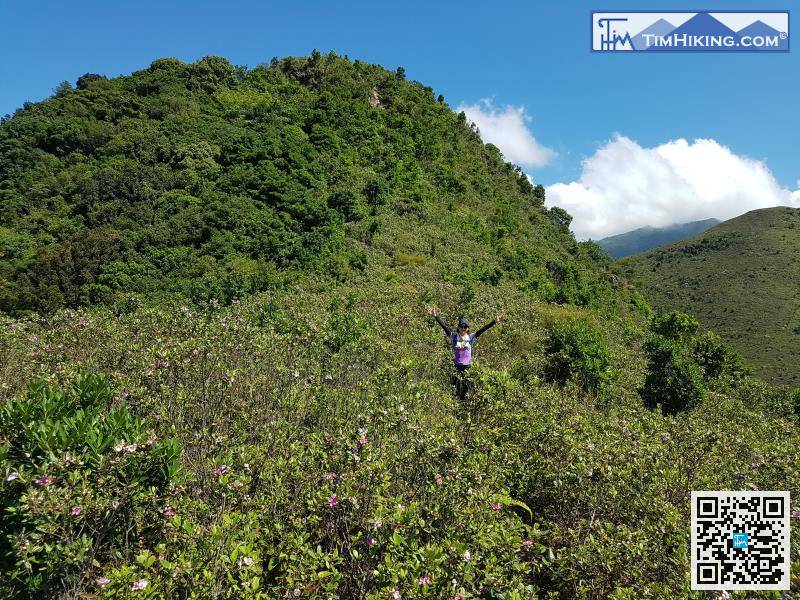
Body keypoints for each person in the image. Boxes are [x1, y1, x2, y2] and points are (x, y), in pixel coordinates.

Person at [427, 307, 504, 400]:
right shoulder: (454, 336)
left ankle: (466, 408)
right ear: (458, 327)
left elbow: (483, 329)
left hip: (467, 367)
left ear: (467, 328)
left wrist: (494, 321)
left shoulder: (471, 337)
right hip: (456, 366)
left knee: (467, 390)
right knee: (456, 390)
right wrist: (436, 316)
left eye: (465, 327)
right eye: (461, 326)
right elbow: (444, 327)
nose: (463, 328)